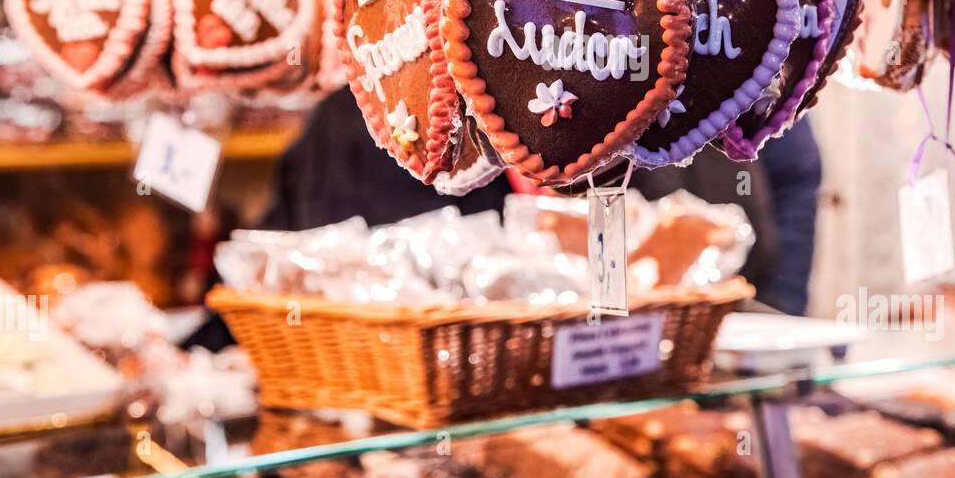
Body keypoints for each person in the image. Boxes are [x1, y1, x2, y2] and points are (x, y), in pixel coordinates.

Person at [260, 87, 822, 314]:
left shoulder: (642, 76)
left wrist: (783, 318)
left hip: (712, 331)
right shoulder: (361, 122)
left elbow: (794, 173)